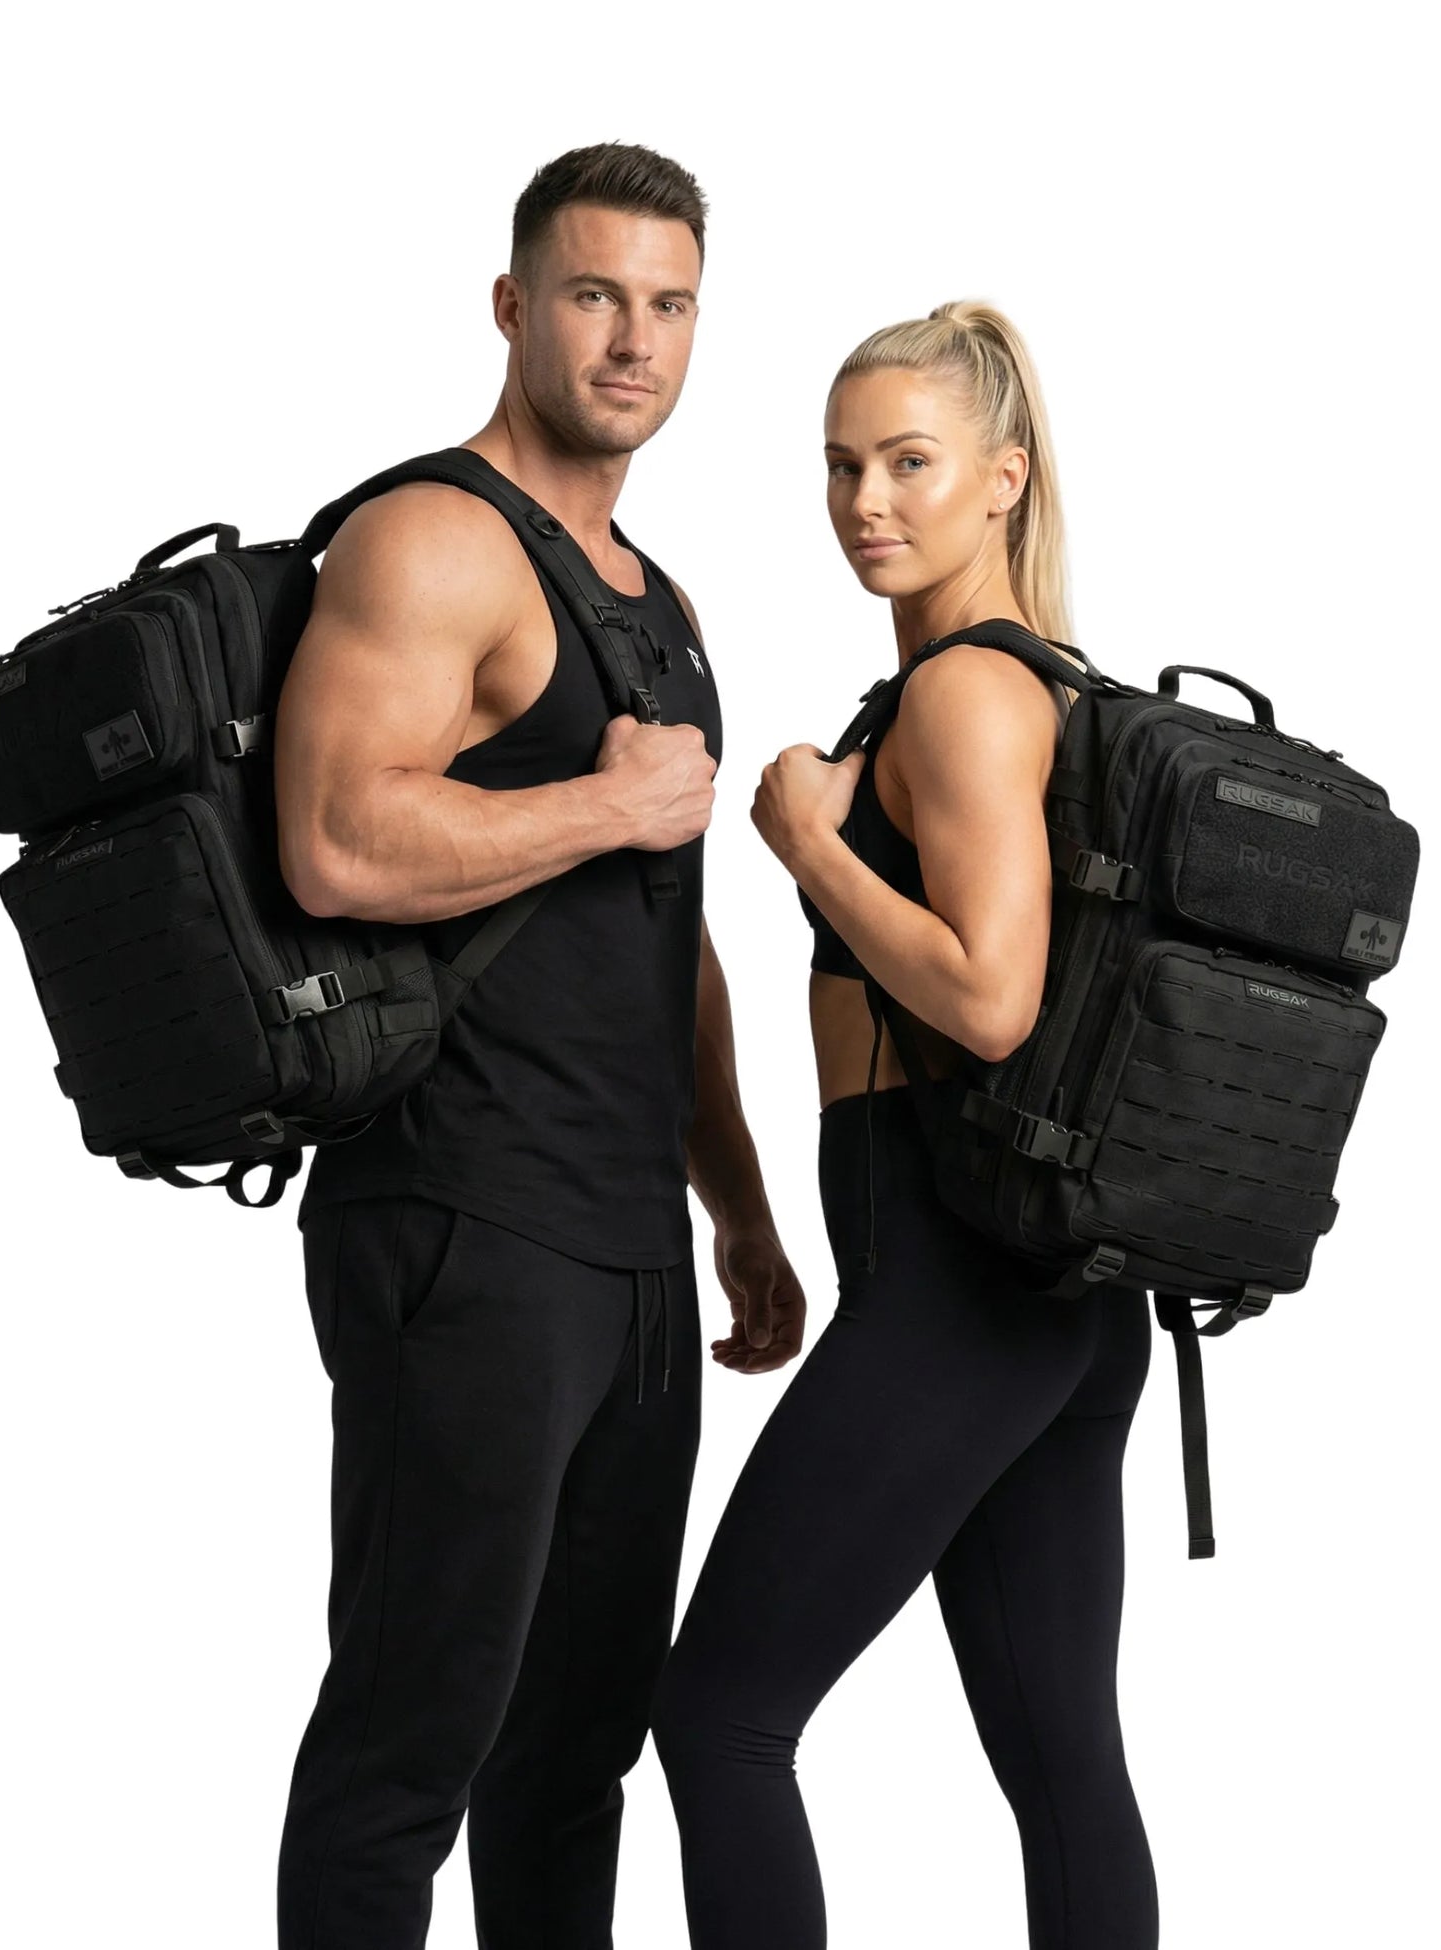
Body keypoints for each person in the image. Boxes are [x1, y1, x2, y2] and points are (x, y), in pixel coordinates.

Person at [271, 142, 806, 1950]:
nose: (633, 340)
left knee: (575, 1760)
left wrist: (736, 1208)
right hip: (461, 1214)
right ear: (514, 306)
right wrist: (604, 801)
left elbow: (670, 937)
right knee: (409, 1742)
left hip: (628, 1247)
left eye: (669, 305)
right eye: (593, 295)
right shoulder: (431, 539)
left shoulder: (661, 603)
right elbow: (334, 838)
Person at [652, 301, 1159, 1949]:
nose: (866, 500)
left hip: (957, 1285)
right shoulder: (1015, 687)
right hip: (1051, 1297)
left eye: (909, 463)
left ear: (1003, 479)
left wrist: (811, 842)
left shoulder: (964, 697)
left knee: (720, 1715)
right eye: (840, 465)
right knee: (1063, 1762)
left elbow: (993, 999)